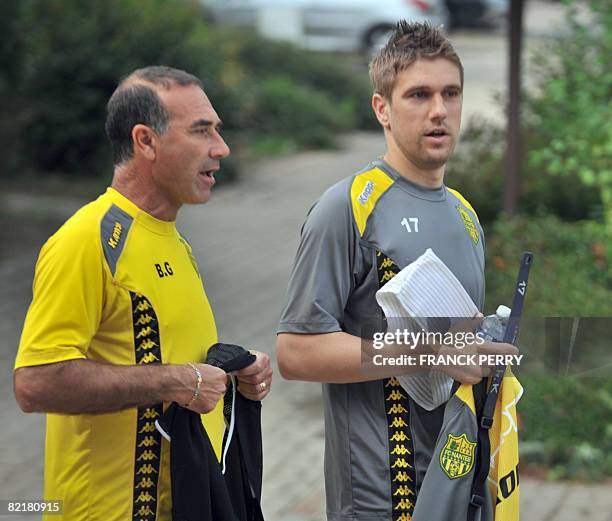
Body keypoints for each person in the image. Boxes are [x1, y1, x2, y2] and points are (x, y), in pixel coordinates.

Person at [277, 22, 518, 521]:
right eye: (419, 95)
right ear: (382, 108)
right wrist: (431, 351)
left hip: (460, 490)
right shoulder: (346, 208)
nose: (439, 110)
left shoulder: (465, 215)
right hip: (380, 500)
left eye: (451, 93)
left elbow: (459, 344)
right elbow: (296, 352)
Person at [14, 66, 272, 521]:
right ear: (145, 141)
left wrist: (238, 369)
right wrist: (175, 381)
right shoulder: (86, 240)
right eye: (201, 131)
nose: (221, 148)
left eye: (217, 130)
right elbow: (36, 382)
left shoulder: (175, 241)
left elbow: (180, 362)